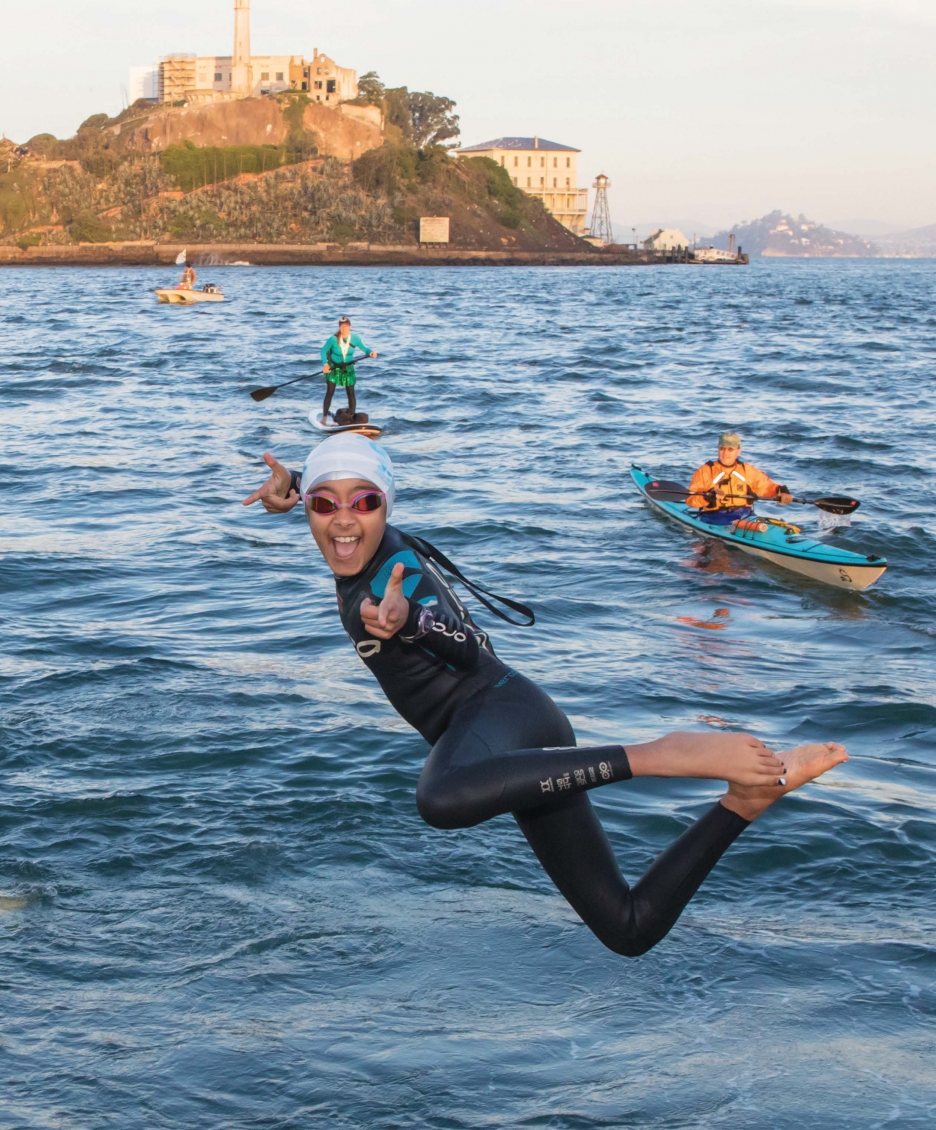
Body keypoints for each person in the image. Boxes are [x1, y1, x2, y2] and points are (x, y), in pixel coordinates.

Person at [243, 437, 847, 957]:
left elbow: (463, 652)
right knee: (628, 928)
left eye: (364, 502)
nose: (344, 519)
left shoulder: (394, 574)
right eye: (325, 503)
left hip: (499, 712)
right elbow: (338, 499)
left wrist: (410, 622)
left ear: (385, 508)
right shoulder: (352, 532)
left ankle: (666, 755)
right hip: (514, 741)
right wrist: (294, 487)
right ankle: (746, 801)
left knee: (441, 799)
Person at [687, 432, 793, 524]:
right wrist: (708, 496)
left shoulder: (747, 470)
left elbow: (767, 486)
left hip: (745, 516)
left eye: (730, 449)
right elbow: (691, 500)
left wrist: (781, 491)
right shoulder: (706, 471)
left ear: (738, 451)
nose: (725, 453)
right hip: (714, 517)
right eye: (722, 449)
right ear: (718, 449)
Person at [321, 317, 377, 424]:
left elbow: (365, 348)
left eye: (346, 326)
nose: (344, 329)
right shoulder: (333, 339)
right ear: (339, 328)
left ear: (350, 327)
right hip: (334, 368)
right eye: (342, 327)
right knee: (330, 392)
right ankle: (324, 418)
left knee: (351, 393)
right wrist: (325, 364)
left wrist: (370, 352)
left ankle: (351, 417)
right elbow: (323, 351)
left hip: (348, 368)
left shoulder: (355, 338)